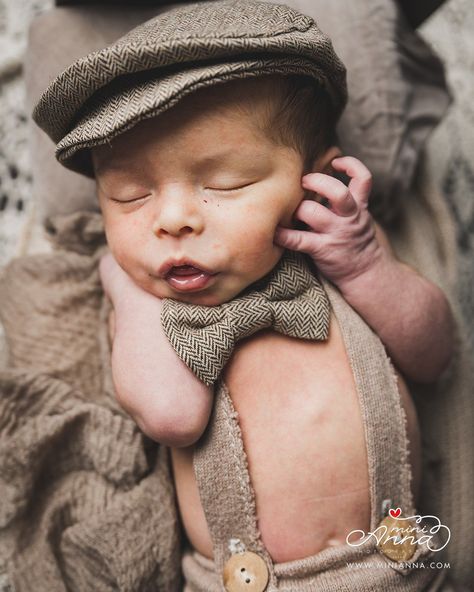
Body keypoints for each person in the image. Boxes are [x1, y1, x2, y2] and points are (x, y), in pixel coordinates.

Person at [33, 1, 457, 589]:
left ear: (320, 182)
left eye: (225, 184)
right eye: (130, 195)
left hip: (406, 567)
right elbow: (172, 414)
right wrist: (128, 290)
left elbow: (438, 356)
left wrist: (366, 263)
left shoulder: (339, 244)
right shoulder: (141, 302)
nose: (173, 220)